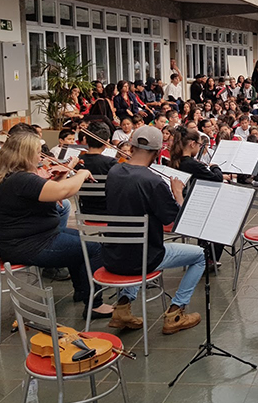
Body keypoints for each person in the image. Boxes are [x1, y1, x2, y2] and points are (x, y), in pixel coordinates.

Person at [0, 131, 113, 319]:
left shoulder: (11, 176)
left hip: (29, 239)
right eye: (37, 152)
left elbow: (49, 192)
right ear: (26, 154)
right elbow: (61, 192)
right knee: (94, 248)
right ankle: (94, 305)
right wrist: (80, 174)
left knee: (80, 240)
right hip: (30, 245)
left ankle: (82, 291)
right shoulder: (22, 180)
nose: (40, 156)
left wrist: (63, 176)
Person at [104, 126, 205, 333]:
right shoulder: (153, 181)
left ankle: (122, 307)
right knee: (200, 256)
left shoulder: (114, 172)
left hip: (112, 253)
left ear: (131, 147)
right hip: (145, 258)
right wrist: (177, 194)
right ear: (158, 152)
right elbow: (177, 222)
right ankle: (176, 312)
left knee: (136, 245)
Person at [170, 126, 225, 263]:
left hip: (180, 203)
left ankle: (206, 251)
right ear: (192, 144)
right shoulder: (191, 164)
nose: (200, 148)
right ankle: (209, 257)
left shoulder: (176, 161)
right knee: (221, 220)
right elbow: (217, 178)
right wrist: (214, 166)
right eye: (200, 145)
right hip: (188, 207)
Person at [76, 122, 118, 216]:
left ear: (85, 140)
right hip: (109, 211)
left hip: (86, 211)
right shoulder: (111, 163)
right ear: (107, 142)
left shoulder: (77, 162)